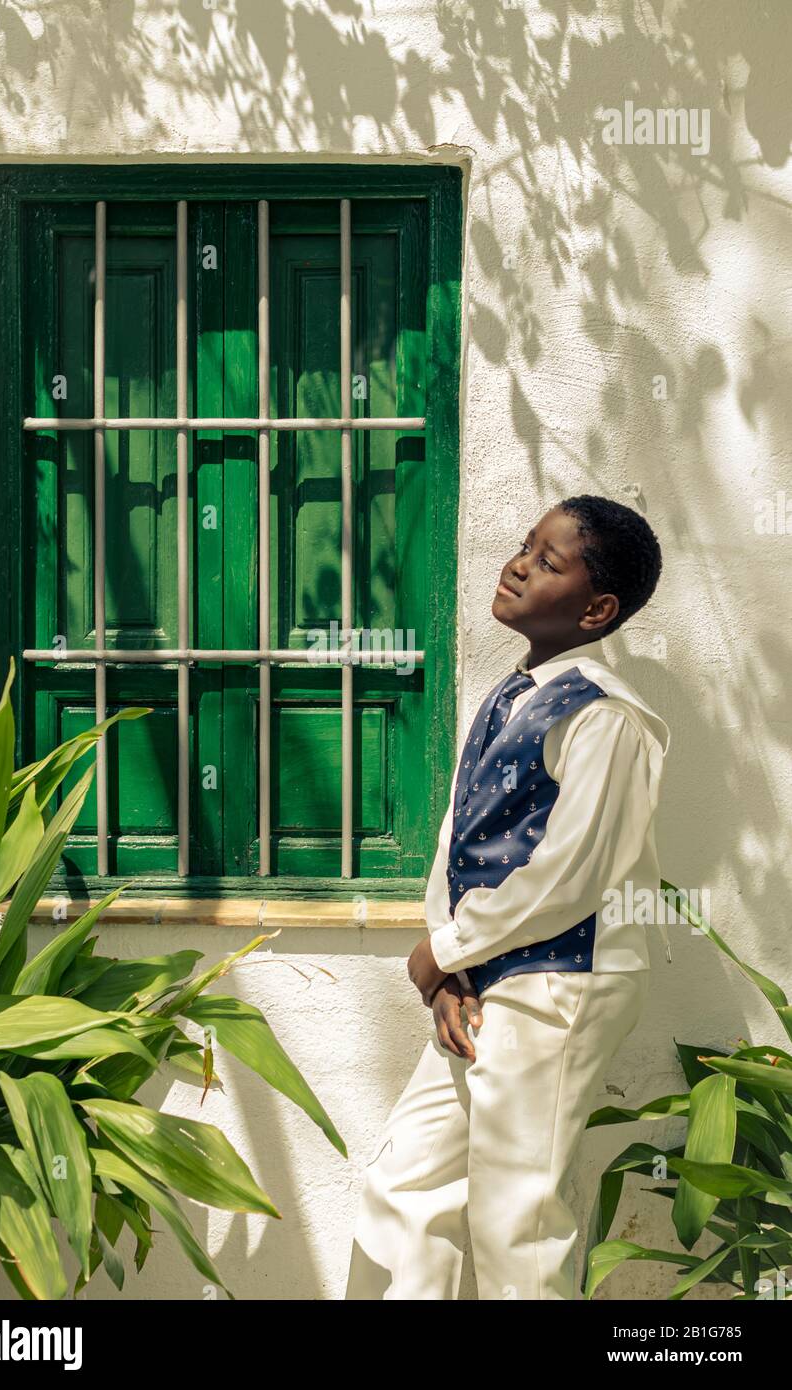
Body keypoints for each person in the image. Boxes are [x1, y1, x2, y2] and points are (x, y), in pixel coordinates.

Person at [344, 495, 671, 1301]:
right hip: (489, 975)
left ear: (597, 610)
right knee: (409, 1182)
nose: (518, 563)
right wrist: (452, 967)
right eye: (526, 545)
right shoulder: (508, 696)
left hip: (562, 980)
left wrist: (444, 952)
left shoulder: (605, 720)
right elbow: (458, 842)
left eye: (548, 561)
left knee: (513, 1219)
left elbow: (572, 874)